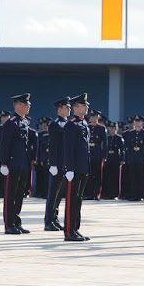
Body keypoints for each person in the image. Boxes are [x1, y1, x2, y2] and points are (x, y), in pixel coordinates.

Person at [0, 93, 33, 235]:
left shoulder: (24, 122)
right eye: (26, 104)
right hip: (12, 164)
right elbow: (4, 144)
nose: (28, 106)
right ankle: (9, 224)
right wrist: (3, 163)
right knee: (10, 195)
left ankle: (16, 221)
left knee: (19, 194)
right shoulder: (11, 123)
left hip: (23, 163)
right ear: (18, 106)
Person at [63, 93, 92, 241]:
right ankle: (69, 231)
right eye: (84, 105)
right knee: (71, 200)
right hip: (74, 169)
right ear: (75, 107)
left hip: (82, 167)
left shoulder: (83, 123)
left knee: (78, 199)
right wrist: (69, 169)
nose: (87, 107)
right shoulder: (71, 125)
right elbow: (68, 149)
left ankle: (75, 228)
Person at [43, 97, 70, 231]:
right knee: (53, 193)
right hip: (57, 164)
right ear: (59, 109)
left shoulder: (68, 124)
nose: (69, 109)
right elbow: (53, 146)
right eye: (66, 107)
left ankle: (55, 218)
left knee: (59, 194)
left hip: (65, 164)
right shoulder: (54, 125)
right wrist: (52, 164)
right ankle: (48, 220)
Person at [124, 115, 144, 201]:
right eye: (136, 121)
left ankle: (141, 195)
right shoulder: (130, 133)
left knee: (141, 177)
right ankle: (134, 194)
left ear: (142, 123)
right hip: (133, 158)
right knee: (133, 177)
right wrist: (128, 158)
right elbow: (127, 147)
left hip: (142, 158)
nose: (137, 123)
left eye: (139, 121)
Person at [85, 110, 107, 200]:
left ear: (98, 117)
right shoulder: (87, 127)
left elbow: (105, 143)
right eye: (92, 116)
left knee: (97, 175)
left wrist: (104, 156)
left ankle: (97, 193)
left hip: (97, 154)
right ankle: (88, 193)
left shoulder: (101, 128)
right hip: (88, 153)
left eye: (95, 116)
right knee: (88, 174)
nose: (93, 118)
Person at [103, 121, 125, 200]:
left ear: (116, 129)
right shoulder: (107, 137)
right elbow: (104, 148)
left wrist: (122, 159)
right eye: (111, 128)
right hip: (108, 158)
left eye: (114, 128)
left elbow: (122, 150)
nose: (112, 130)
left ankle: (115, 193)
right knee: (107, 177)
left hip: (116, 159)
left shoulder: (119, 138)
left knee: (115, 177)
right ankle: (107, 193)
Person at [35, 116, 51, 198]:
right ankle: (42, 192)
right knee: (42, 177)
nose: (45, 126)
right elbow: (39, 148)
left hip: (50, 158)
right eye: (43, 124)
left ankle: (47, 193)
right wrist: (39, 159)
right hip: (43, 158)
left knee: (48, 177)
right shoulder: (40, 135)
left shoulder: (52, 135)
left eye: (46, 125)